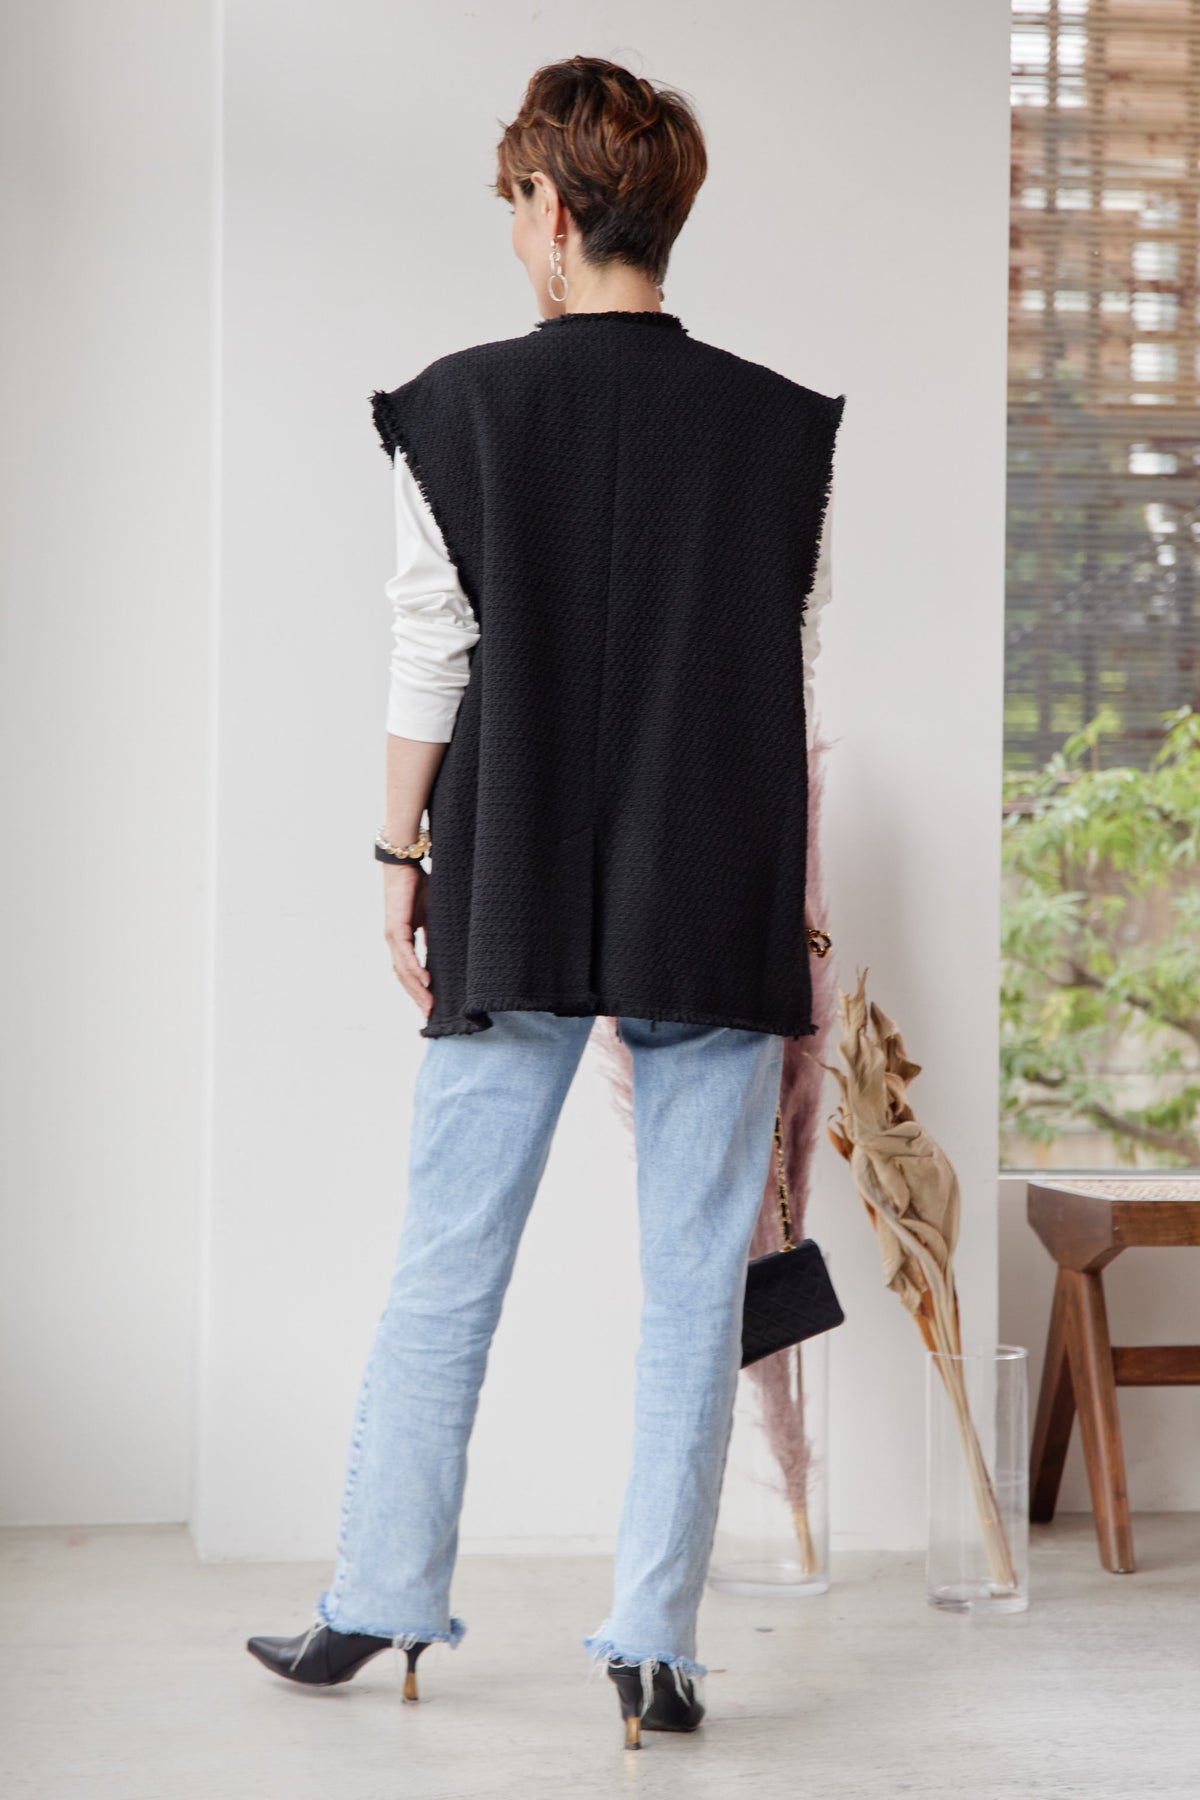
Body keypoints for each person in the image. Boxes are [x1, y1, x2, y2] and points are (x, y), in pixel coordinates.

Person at [246, 52, 845, 1750]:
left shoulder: (455, 410)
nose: (515, 236)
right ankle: (656, 1648)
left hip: (507, 879)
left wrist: (397, 862)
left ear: (559, 212)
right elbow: (793, 681)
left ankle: (379, 1598)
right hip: (712, 879)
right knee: (695, 1284)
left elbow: (430, 655)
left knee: (447, 1263)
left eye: (518, 206)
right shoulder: (785, 429)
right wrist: (797, 914)